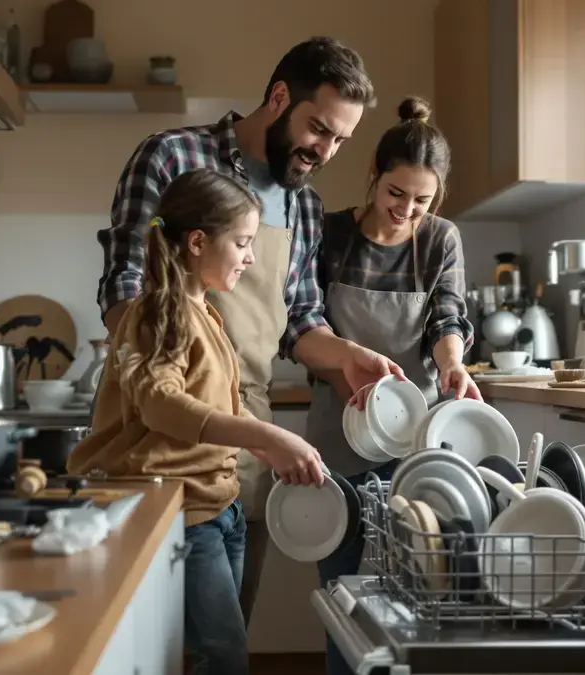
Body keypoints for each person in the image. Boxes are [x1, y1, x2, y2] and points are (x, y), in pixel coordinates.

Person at [96, 37, 403, 629]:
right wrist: (170, 369)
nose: (325, 150)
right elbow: (125, 287)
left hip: (250, 442)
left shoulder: (304, 207)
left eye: (340, 139)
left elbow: (299, 321)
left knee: (227, 631)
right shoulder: (173, 157)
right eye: (319, 129)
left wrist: (346, 356)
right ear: (279, 97)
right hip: (161, 438)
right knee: (149, 637)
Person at [69, 168, 326, 675]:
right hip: (180, 513)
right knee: (224, 655)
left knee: (223, 650)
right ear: (197, 242)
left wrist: (265, 448)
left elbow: (213, 404)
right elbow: (162, 406)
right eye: (242, 243)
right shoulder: (155, 315)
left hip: (219, 504)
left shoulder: (205, 312)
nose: (250, 258)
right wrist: (267, 434)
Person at [306, 96, 480, 675]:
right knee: (343, 591)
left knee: (415, 588)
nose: (406, 210)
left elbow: (447, 318)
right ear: (374, 175)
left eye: (422, 200)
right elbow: (305, 324)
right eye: (395, 193)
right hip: (338, 431)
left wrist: (453, 364)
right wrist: (346, 380)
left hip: (414, 436)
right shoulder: (330, 233)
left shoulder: (440, 240)